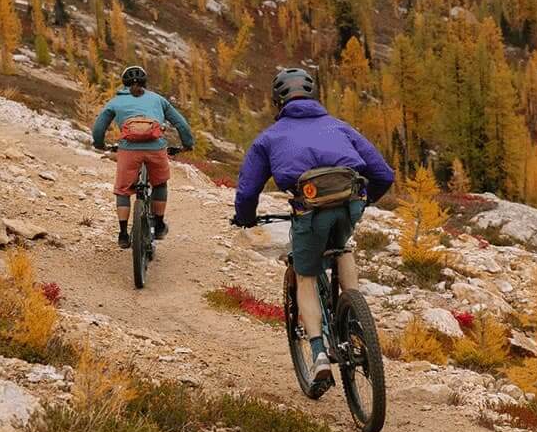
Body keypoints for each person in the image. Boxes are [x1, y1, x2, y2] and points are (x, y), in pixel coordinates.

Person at [232, 67, 394, 381]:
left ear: (277, 102)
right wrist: (364, 201)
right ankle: (355, 316)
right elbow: (384, 174)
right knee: (342, 247)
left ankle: (318, 352)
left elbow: (248, 190)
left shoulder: (268, 138)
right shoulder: (339, 126)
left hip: (308, 211)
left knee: (305, 276)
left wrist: (246, 218)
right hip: (349, 205)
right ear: (313, 96)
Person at [91, 66, 195, 248]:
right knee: (160, 183)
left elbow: (99, 126)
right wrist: (187, 145)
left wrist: (99, 143)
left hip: (128, 151)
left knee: (123, 190)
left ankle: (123, 234)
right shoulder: (158, 99)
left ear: (123, 84)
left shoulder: (115, 102)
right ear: (145, 83)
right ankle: (159, 223)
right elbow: (181, 124)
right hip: (156, 149)